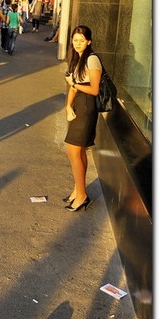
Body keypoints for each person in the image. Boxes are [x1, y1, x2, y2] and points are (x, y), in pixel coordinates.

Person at [63, 25, 102, 212]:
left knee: (73, 151)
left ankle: (82, 196)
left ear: (89, 41)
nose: (77, 43)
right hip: (78, 104)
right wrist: (68, 106)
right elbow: (73, 87)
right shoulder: (77, 58)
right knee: (77, 152)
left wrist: (74, 84)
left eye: (81, 40)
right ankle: (78, 190)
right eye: (75, 40)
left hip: (87, 106)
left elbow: (94, 90)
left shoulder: (92, 59)